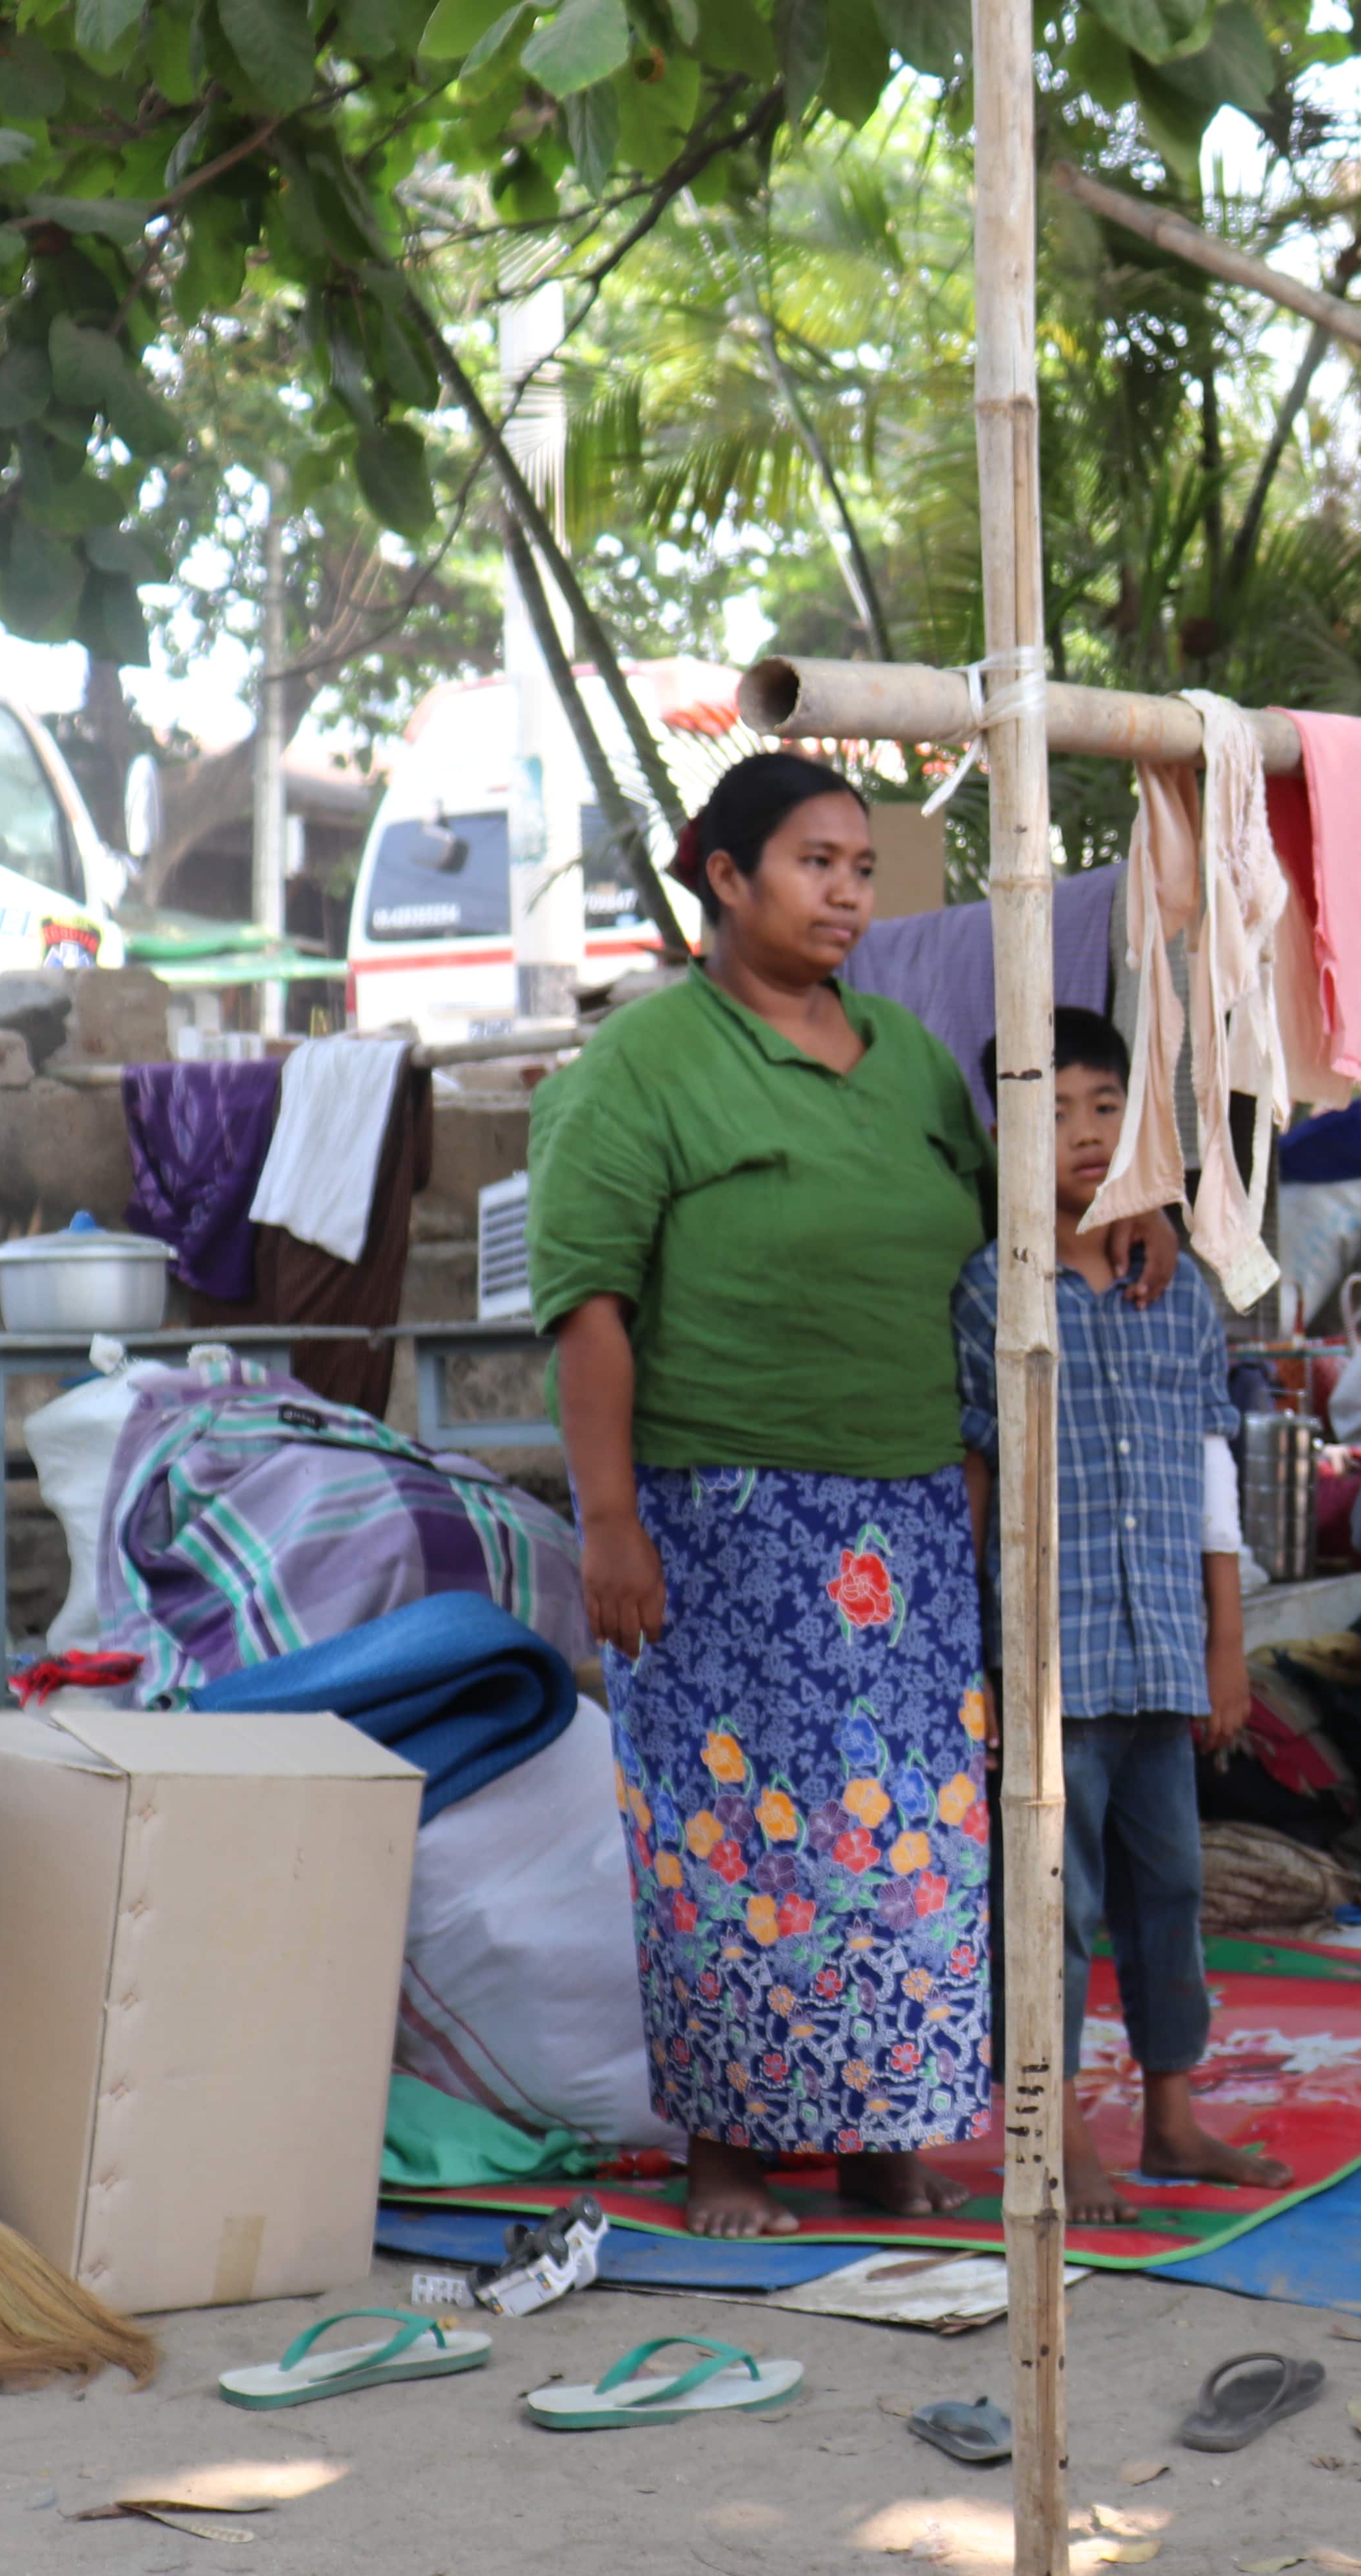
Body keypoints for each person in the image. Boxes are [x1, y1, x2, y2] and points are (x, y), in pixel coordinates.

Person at [531, 752, 1173, 2238]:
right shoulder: (643, 1070)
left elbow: (1012, 1204)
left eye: (860, 867)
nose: (845, 892)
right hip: (724, 1524)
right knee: (738, 1834)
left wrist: (1143, 1196)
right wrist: (610, 1521)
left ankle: (884, 2136)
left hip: (912, 1521)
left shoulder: (903, 1053)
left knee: (913, 1838)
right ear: (725, 875)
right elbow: (589, 1308)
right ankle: (730, 2156)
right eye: (813, 862)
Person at [954, 1007, 1287, 2225]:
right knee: (1056, 1904)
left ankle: (1172, 2117)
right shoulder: (996, 1287)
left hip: (1162, 1653)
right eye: (1054, 1113)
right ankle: (1053, 2135)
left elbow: (1212, 1476)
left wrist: (1227, 1645)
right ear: (1008, 1134)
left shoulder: (1180, 1289)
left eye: (1107, 1109)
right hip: (1052, 1660)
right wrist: (976, 1657)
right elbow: (978, 1476)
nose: (1087, 1135)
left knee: (1172, 1889)